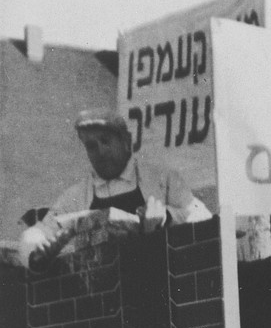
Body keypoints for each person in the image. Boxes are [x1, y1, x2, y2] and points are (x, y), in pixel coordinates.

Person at [19, 108, 211, 270]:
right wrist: (37, 252)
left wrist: (167, 217)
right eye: (91, 146)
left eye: (106, 141)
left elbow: (202, 216)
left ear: (126, 141)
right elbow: (37, 233)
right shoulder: (75, 196)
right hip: (103, 298)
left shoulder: (162, 179)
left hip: (157, 285)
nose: (101, 152)